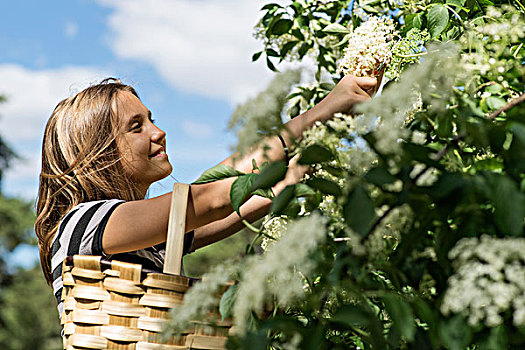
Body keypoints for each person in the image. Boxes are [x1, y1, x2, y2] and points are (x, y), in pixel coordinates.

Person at [35, 75, 377, 315]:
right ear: (99, 150)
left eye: (151, 119)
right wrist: (324, 108)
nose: (158, 132)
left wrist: (306, 159)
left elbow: (235, 204)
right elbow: (214, 199)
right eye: (136, 126)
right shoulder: (83, 225)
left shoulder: (144, 241)